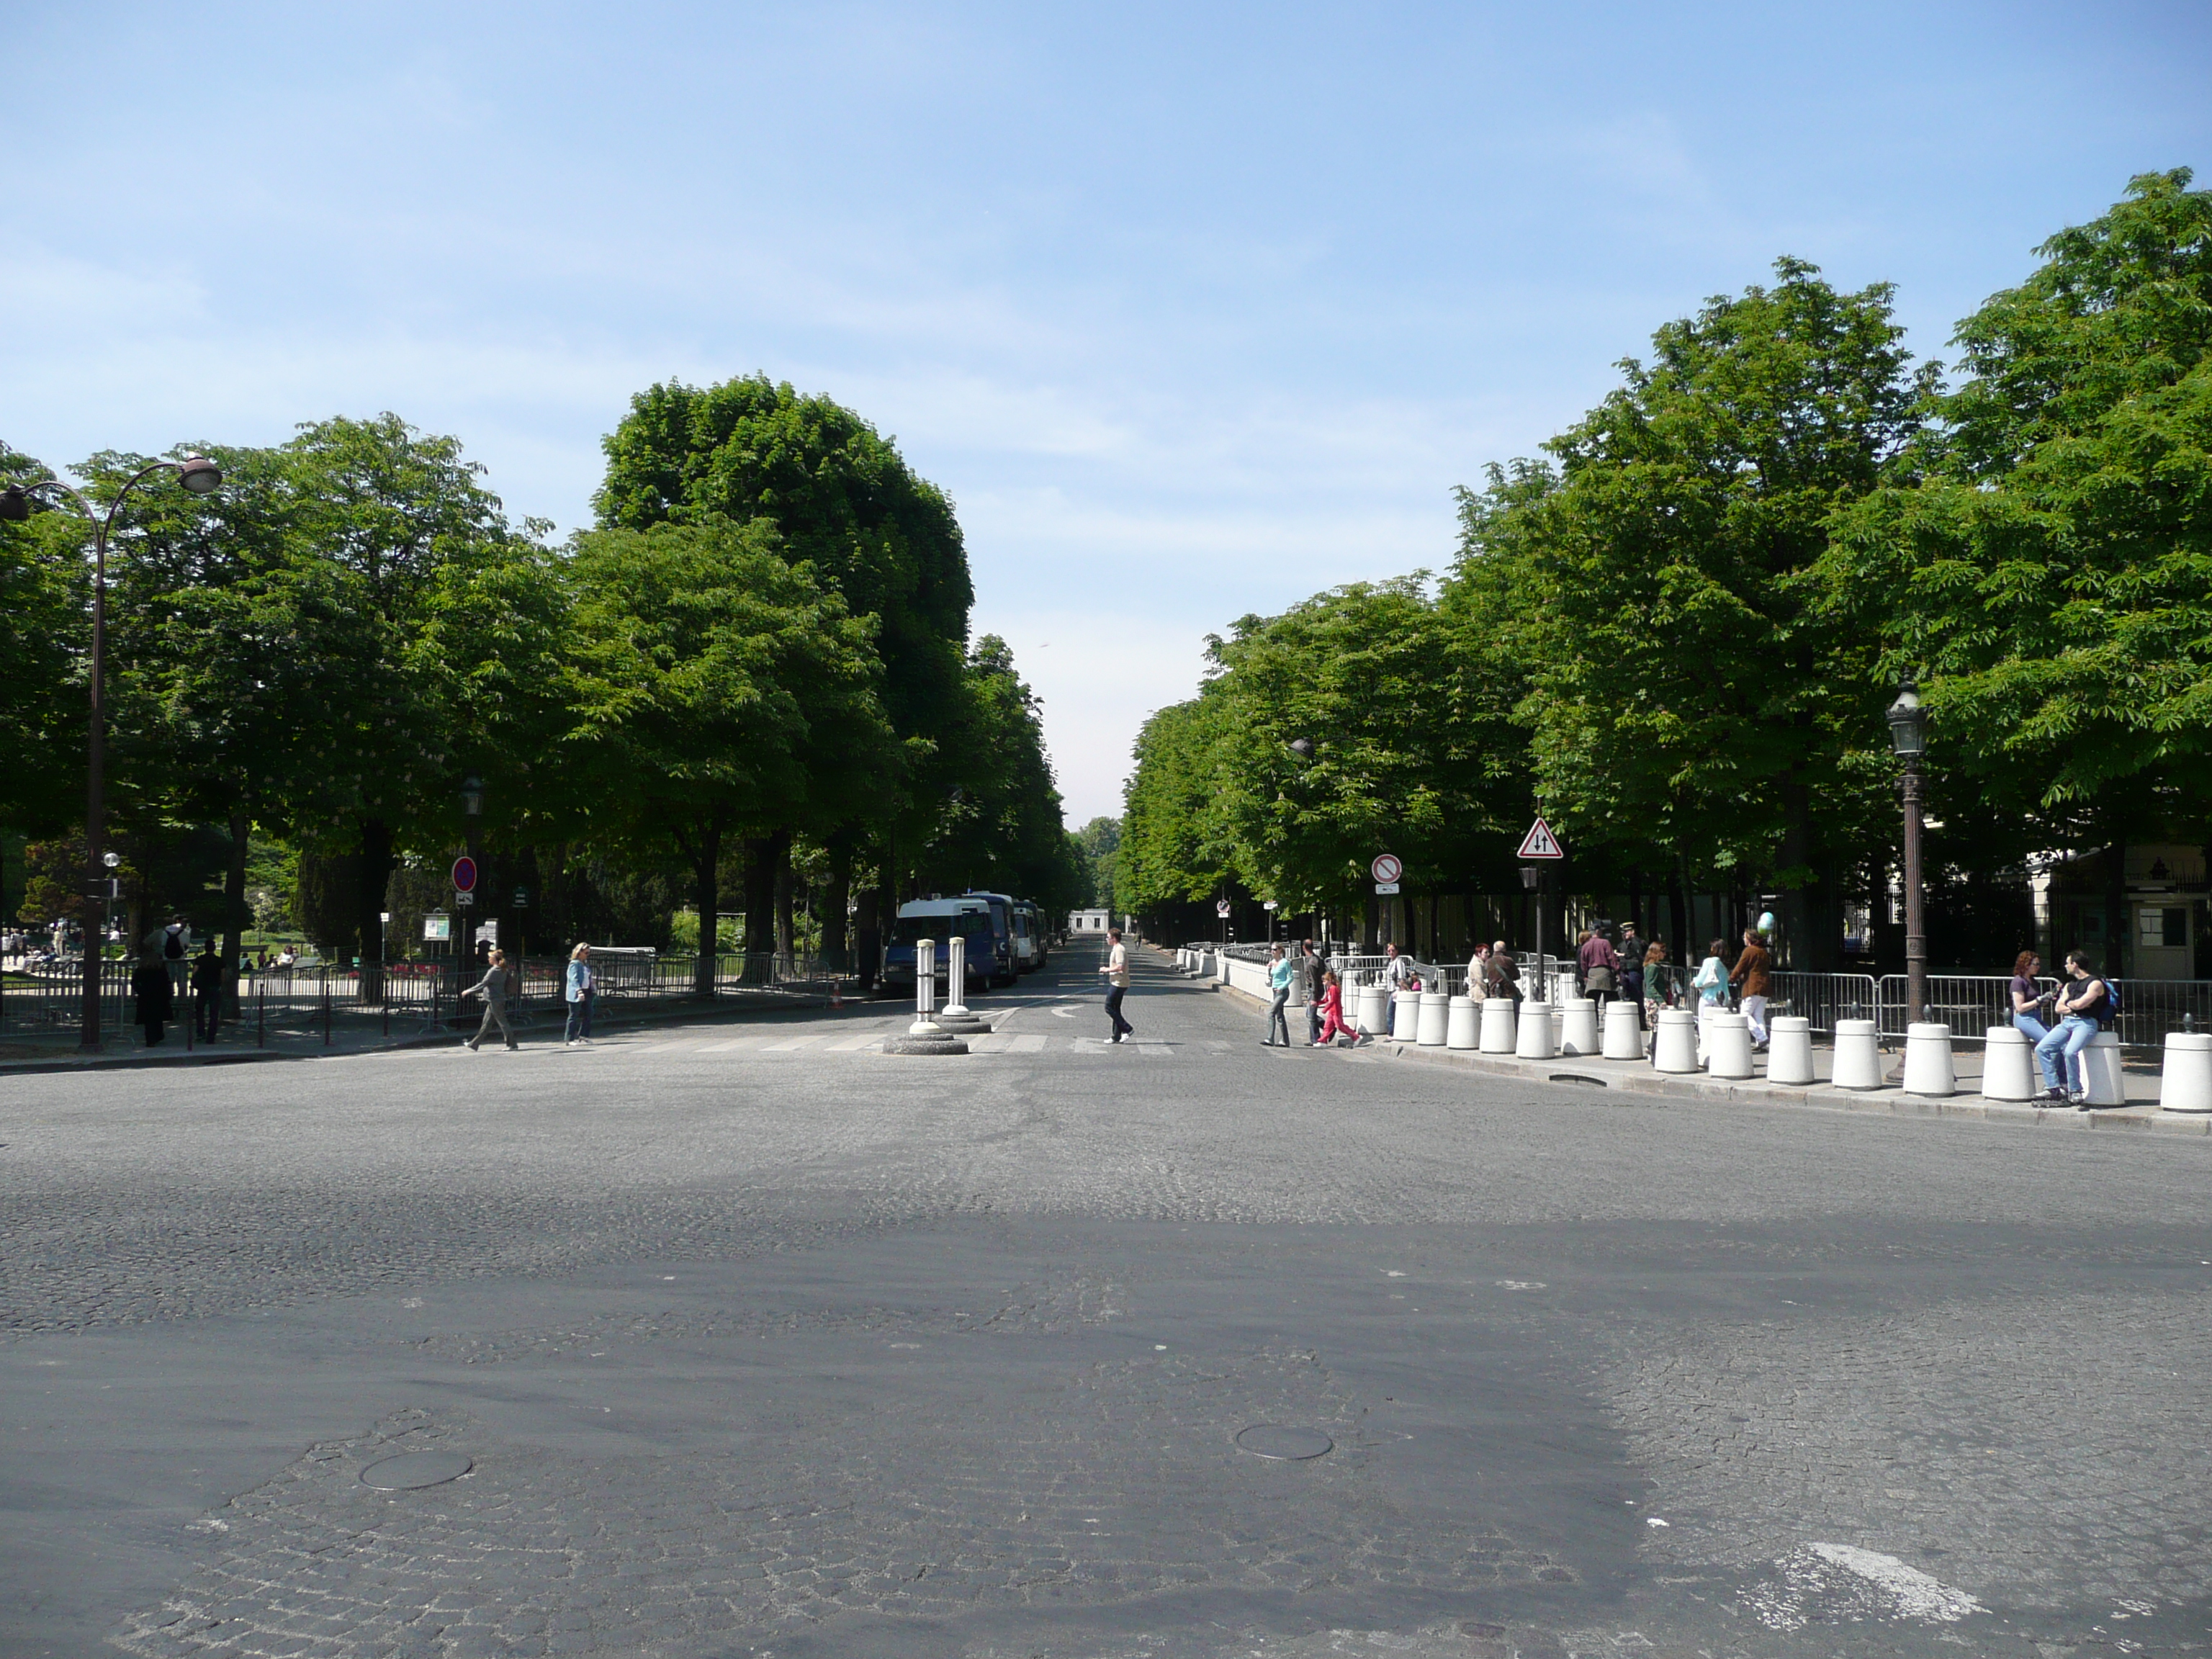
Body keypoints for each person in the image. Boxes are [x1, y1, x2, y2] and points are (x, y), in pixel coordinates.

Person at [2035, 950, 2108, 1106]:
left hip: (2086, 1022)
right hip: (2068, 1022)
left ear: (2075, 965)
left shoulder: (2095, 983)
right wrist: (2075, 1006)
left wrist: (2073, 1004)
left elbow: (2080, 1004)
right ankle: (2053, 1087)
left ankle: (2075, 1090)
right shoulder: (2070, 985)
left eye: (2067, 963)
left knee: (2069, 1051)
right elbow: (2058, 1008)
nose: (2065, 966)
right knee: (2042, 1048)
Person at [462, 947, 518, 1051]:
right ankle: (474, 1044)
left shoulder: (494, 971)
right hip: (495, 999)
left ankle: (512, 1045)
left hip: (495, 1000)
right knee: (486, 1024)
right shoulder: (502, 969)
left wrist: (469, 991)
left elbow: (483, 984)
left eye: (490, 958)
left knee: (503, 1023)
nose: (488, 960)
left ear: (494, 960)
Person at [1730, 927, 1773, 1048]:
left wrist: (1732, 978)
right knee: (1758, 1016)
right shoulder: (1763, 951)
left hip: (1753, 987)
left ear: (1749, 939)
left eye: (1745, 937)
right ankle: (1762, 1043)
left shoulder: (1749, 951)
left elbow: (1740, 966)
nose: (1744, 939)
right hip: (1765, 988)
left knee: (1745, 1014)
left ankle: (1762, 1038)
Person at [1690, 938, 1730, 1065]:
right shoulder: (1725, 964)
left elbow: (1702, 978)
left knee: (1703, 1024)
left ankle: (1705, 1050)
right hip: (1723, 997)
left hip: (1708, 997)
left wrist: (1695, 982)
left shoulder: (1709, 961)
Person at [132, 944, 174, 1047]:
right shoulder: (160, 969)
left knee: (148, 1020)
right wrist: (169, 993)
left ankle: (150, 1039)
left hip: (145, 996)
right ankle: (158, 1035)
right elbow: (167, 982)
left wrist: (140, 991)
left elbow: (134, 982)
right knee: (157, 1018)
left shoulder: (141, 969)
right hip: (159, 996)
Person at [2008, 950, 2051, 1047]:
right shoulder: (2018, 981)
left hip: (2036, 1016)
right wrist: (2038, 1000)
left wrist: (2047, 998)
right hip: (2024, 1018)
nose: (2038, 967)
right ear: (2026, 965)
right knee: (2049, 1042)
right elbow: (2020, 1008)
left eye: (2038, 964)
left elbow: (2038, 1004)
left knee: (2057, 1040)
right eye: (2036, 964)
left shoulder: (2033, 981)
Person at [1099, 926, 1133, 1043]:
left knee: (1108, 1007)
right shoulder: (1116, 948)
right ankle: (1116, 1036)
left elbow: (1120, 967)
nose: (1106, 939)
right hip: (1117, 982)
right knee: (1115, 1009)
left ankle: (1127, 1029)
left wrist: (1106, 969)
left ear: (1114, 938)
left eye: (1108, 937)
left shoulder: (1119, 949)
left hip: (1119, 983)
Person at [189, 938, 224, 1044]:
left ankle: (200, 1033)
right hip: (215, 987)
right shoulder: (219, 961)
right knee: (214, 1013)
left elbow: (195, 973)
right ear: (214, 949)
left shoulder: (200, 960)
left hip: (202, 988)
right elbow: (223, 976)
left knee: (200, 1011)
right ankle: (211, 1036)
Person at [1577, 926, 1621, 1008]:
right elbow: (1612, 959)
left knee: (1593, 1004)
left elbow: (1583, 963)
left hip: (1592, 974)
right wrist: (1617, 971)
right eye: (1601, 931)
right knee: (1610, 1003)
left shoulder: (1586, 946)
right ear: (1597, 931)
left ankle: (1594, 1021)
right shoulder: (1605, 943)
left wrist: (1586, 975)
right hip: (1606, 974)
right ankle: (1610, 1020)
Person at [565, 942, 597, 1046]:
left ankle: (583, 1035)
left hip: (587, 991)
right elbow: (573, 979)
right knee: (574, 1015)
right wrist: (579, 991)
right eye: (586, 952)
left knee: (589, 1012)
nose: (588, 954)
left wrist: (593, 985)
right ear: (579, 952)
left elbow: (588, 977)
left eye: (589, 952)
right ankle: (569, 1039)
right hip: (577, 992)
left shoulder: (585, 964)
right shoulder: (575, 963)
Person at [1313, 969, 1355, 1046]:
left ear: (1329, 980)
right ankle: (1323, 1041)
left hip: (1336, 1011)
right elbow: (1326, 999)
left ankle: (1355, 1036)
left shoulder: (1334, 989)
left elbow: (1333, 1000)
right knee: (1327, 1027)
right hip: (1332, 1012)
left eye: (1325, 981)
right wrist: (1318, 1003)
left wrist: (1325, 1009)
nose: (1324, 983)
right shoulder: (1330, 989)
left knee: (1340, 1026)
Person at [1263, 944, 1293, 1046]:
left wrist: (1282, 986)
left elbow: (1291, 977)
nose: (1272, 951)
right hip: (1275, 991)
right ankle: (1285, 1040)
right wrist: (1268, 971)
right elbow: (1271, 976)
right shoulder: (1272, 963)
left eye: (1275, 949)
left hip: (1283, 992)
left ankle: (1270, 1038)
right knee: (1279, 1016)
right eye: (1271, 950)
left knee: (1271, 1013)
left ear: (1280, 950)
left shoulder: (1285, 962)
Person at [1617, 923, 1645, 1022]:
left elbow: (1639, 958)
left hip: (1635, 971)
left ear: (1632, 931)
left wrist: (1624, 955)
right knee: (1625, 995)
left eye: (1627, 932)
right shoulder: (1622, 944)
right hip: (1624, 971)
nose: (1625, 934)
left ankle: (1640, 1021)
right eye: (1623, 933)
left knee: (1636, 996)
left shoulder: (1638, 943)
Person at [1300, 940, 1327, 1044]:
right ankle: (1327, 1027)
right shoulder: (1316, 959)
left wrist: (1314, 998)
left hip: (1314, 990)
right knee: (1310, 1014)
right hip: (1316, 990)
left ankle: (1315, 1039)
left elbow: (1315, 981)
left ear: (1304, 948)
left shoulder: (1312, 962)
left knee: (1311, 1016)